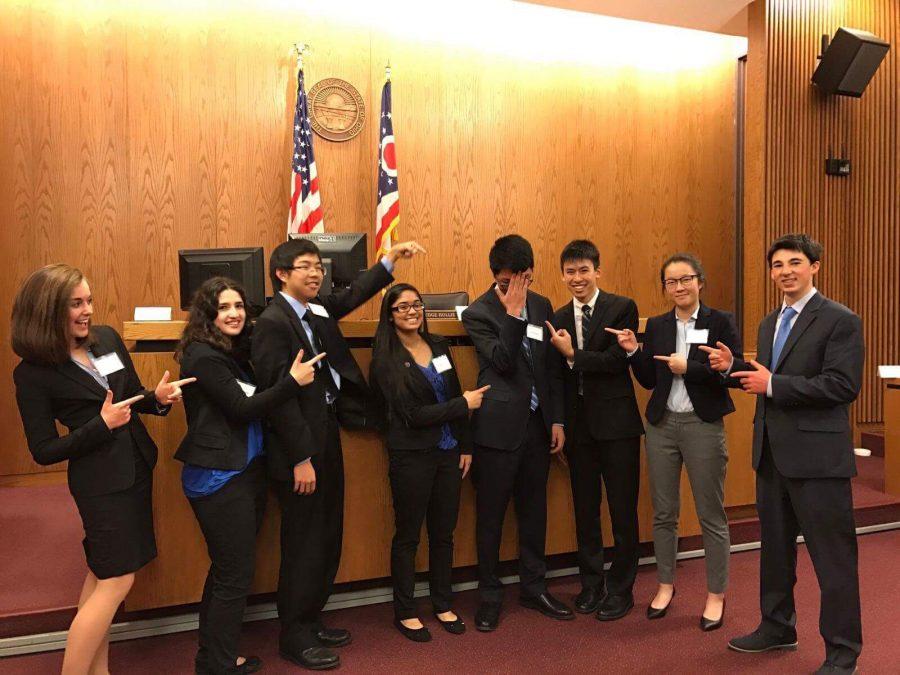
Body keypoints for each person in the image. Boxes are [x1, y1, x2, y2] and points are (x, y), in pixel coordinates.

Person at [251, 237, 425, 671]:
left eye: (319, 267)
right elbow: (279, 400)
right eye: (306, 266)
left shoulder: (318, 310)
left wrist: (388, 261)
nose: (316, 274)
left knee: (327, 532)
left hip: (326, 432)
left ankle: (311, 618)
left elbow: (351, 295)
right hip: (300, 448)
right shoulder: (273, 323)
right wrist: (299, 457)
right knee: (303, 541)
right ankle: (294, 634)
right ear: (281, 274)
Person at [11, 263, 192, 675]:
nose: (87, 310)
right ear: (47, 310)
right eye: (76, 304)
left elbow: (127, 400)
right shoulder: (33, 374)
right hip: (99, 483)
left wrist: (157, 398)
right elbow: (43, 450)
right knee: (117, 581)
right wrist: (100, 425)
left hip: (136, 467)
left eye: (88, 300)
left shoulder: (105, 339)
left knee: (101, 575)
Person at [703, 234, 864, 674]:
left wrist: (773, 385)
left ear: (815, 266)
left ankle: (842, 653)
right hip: (772, 455)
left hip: (818, 461)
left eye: (795, 262)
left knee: (833, 561)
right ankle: (777, 626)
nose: (785, 271)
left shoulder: (840, 320)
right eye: (777, 265)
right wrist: (730, 369)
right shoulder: (769, 321)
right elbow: (764, 378)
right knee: (775, 552)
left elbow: (842, 386)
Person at [175, 277, 326, 674]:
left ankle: (214, 657)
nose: (234, 314)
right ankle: (217, 664)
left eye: (239, 306)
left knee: (229, 571)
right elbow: (242, 409)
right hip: (219, 477)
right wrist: (291, 383)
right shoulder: (203, 356)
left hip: (243, 471)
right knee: (233, 575)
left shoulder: (231, 351)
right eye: (223, 307)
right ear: (207, 314)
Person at [608, 253, 740, 630]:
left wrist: (692, 369)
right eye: (671, 282)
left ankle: (716, 594)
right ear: (664, 287)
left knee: (710, 515)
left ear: (700, 281)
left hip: (702, 424)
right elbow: (650, 379)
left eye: (686, 280)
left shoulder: (721, 322)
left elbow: (729, 376)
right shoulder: (660, 326)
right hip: (662, 425)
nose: (679, 287)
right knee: (664, 514)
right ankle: (665, 585)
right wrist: (635, 350)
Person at [460, 234, 572, 632]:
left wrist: (556, 419)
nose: (517, 288)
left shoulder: (542, 305)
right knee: (490, 518)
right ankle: (489, 596)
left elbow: (550, 369)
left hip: (538, 429)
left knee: (534, 513)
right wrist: (510, 313)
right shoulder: (478, 312)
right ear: (496, 277)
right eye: (508, 281)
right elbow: (504, 362)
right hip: (497, 430)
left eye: (523, 279)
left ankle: (533, 587)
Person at [370, 283, 488, 642]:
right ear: (389, 316)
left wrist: (465, 444)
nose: (411, 311)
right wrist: (463, 405)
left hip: (449, 452)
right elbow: (412, 414)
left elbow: (454, 394)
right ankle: (405, 611)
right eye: (402, 307)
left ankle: (442, 603)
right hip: (412, 456)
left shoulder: (439, 345)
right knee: (408, 537)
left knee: (443, 534)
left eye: (416, 305)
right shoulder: (385, 359)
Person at [545, 239, 643, 621]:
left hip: (618, 427)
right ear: (563, 275)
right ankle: (591, 584)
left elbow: (617, 361)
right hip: (578, 429)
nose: (577, 278)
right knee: (585, 511)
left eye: (584, 270)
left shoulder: (622, 308)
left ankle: (621, 589)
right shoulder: (557, 317)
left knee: (622, 511)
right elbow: (556, 377)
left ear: (597, 271)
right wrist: (559, 423)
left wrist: (573, 355)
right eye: (570, 271)